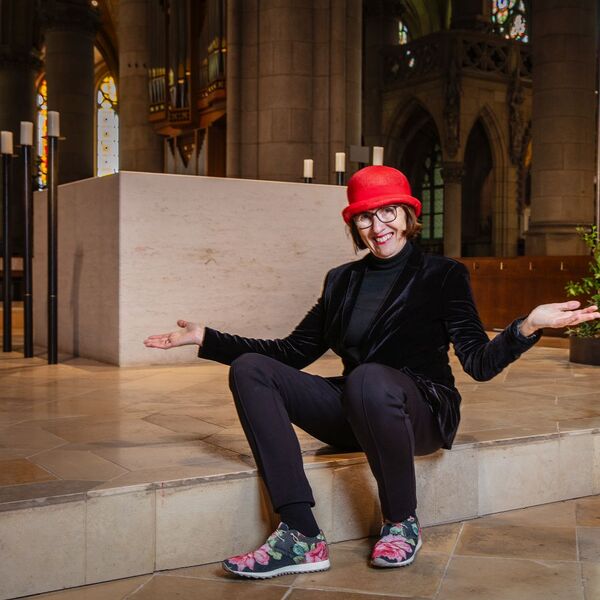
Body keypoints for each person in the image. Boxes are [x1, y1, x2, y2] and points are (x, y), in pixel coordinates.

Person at [144, 166, 600, 579]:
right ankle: (300, 534)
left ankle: (400, 521)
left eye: (387, 212)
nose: (377, 226)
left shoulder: (443, 274)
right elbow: (292, 351)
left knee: (368, 377)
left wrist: (527, 326)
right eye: (365, 217)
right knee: (251, 369)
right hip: (357, 408)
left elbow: (478, 363)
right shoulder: (341, 280)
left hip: (420, 412)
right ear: (354, 226)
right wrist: (206, 338)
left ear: (407, 215)